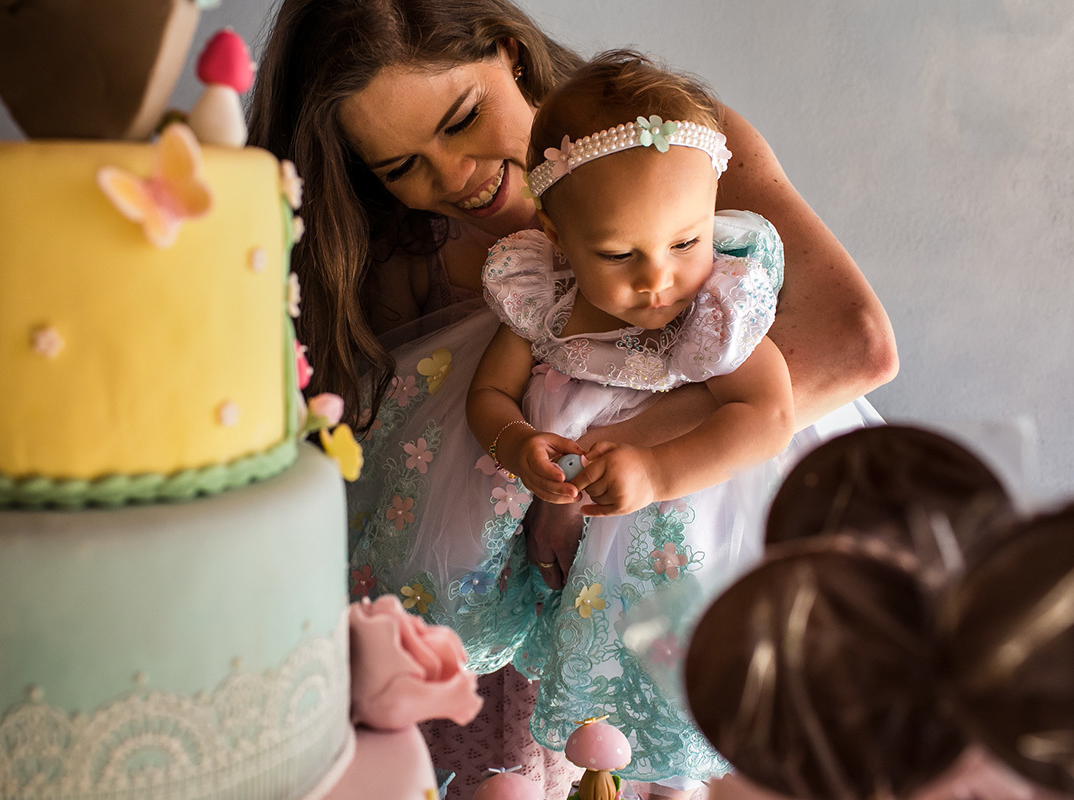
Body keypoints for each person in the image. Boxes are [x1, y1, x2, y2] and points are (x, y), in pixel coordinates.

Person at [248, 0, 897, 795]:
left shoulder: (667, 144)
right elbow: (416, 436)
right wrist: (525, 467)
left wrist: (608, 473)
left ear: (511, 55)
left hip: (693, 553)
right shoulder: (416, 255)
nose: (453, 177)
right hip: (523, 608)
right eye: (401, 167)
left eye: (462, 119)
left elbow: (852, 344)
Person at [457, 49, 800, 789]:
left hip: (674, 557)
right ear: (556, 235)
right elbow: (486, 397)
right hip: (569, 552)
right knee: (573, 704)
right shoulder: (541, 303)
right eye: (618, 253)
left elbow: (768, 413)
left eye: (686, 241)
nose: (658, 279)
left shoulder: (711, 312)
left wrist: (658, 468)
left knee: (663, 709)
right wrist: (516, 443)